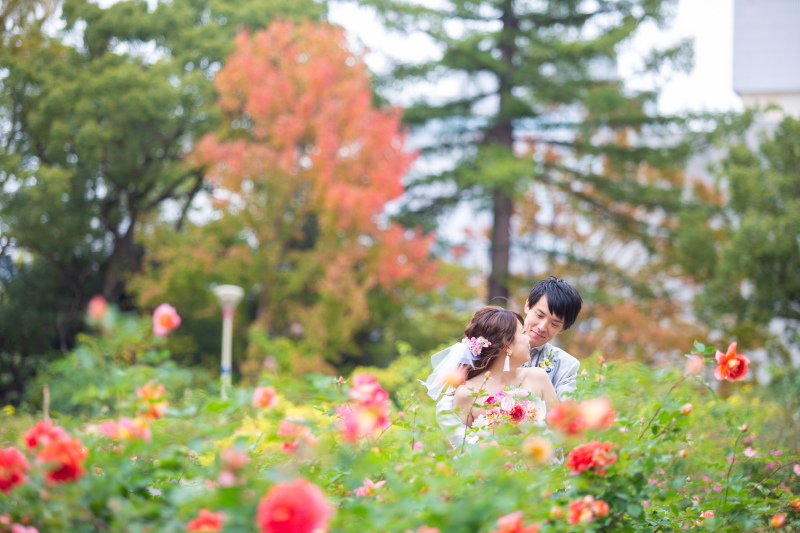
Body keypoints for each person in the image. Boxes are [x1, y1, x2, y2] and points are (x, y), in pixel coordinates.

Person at [423, 276, 582, 447]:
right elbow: (448, 407)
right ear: (528, 305)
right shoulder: (485, 344)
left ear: (563, 329)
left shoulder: (565, 366)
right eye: (540, 315)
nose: (542, 327)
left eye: (554, 323)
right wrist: (477, 448)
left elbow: (564, 418)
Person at [421, 306, 558, 447]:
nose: (528, 338)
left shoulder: (538, 377)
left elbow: (561, 431)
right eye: (523, 333)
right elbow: (465, 450)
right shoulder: (466, 394)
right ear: (507, 345)